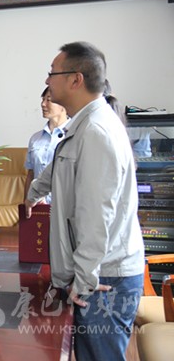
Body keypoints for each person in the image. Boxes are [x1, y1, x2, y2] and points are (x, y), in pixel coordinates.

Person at [25, 42, 144, 361]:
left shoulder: (97, 132)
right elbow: (59, 168)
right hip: (98, 273)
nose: (47, 80)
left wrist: (86, 278)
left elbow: (96, 213)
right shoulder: (82, 127)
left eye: (52, 73)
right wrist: (34, 192)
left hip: (106, 278)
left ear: (76, 79)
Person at [23, 87, 69, 203]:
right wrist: (26, 201)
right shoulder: (35, 138)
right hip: (37, 204)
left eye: (48, 100)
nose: (43, 104)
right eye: (42, 99)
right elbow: (31, 174)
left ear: (63, 104)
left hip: (63, 205)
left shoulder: (73, 135)